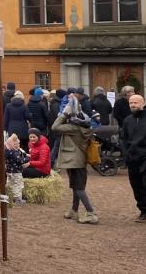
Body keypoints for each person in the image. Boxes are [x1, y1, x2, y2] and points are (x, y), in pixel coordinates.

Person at [53, 95, 98, 224]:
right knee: (76, 187)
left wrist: (64, 114)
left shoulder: (73, 128)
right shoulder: (83, 126)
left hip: (74, 161)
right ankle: (74, 210)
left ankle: (91, 213)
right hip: (77, 160)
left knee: (78, 188)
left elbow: (55, 127)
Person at [120, 94, 146, 221]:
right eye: (131, 103)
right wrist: (126, 154)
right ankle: (144, 211)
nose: (132, 105)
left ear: (143, 103)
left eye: (135, 102)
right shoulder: (127, 120)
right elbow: (123, 138)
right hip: (133, 158)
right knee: (136, 186)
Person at [4, 133, 30, 204]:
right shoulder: (14, 153)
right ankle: (17, 199)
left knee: (9, 184)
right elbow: (20, 161)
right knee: (17, 184)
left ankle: (9, 196)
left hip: (9, 171)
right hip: (16, 171)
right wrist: (27, 159)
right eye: (18, 144)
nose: (19, 145)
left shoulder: (7, 152)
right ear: (14, 145)